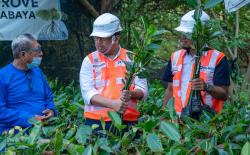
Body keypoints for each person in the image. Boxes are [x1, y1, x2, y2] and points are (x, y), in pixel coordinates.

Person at [80, 13, 148, 134]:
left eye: (102, 38)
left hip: (128, 122)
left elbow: (143, 90)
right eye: (96, 38)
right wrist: (113, 104)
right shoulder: (89, 60)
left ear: (116, 38)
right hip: (96, 122)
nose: (98, 42)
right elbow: (88, 93)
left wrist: (131, 93)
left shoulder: (133, 58)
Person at [162, 10, 230, 117]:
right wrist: (163, 117)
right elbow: (170, 89)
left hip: (206, 123)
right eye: (182, 33)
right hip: (178, 120)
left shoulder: (218, 58)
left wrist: (206, 86)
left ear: (201, 35)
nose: (183, 37)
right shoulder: (175, 56)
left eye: (188, 34)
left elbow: (224, 94)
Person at [0, 33, 57, 134]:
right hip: (16, 135)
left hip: (44, 130)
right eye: (37, 50)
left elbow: (48, 97)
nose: (41, 53)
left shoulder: (38, 71)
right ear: (23, 54)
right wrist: (30, 119)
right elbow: (1, 111)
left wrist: (51, 110)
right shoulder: (3, 76)